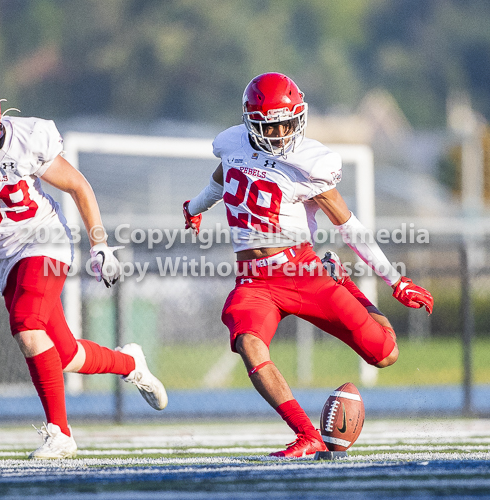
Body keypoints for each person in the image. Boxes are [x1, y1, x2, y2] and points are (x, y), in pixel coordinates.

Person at [182, 72, 433, 458]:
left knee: (385, 353)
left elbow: (349, 226)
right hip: (253, 280)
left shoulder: (309, 163)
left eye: (286, 122)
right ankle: (306, 434)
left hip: (302, 271)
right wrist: (195, 208)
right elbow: (220, 181)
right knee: (249, 344)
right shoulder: (232, 143)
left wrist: (395, 280)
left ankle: (341, 279)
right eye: (270, 125)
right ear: (250, 121)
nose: (280, 132)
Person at [0, 75, 168, 459]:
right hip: (2, 256)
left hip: (43, 239)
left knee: (27, 327)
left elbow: (79, 187)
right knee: (65, 354)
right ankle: (130, 362)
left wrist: (99, 244)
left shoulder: (26, 139)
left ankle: (60, 433)